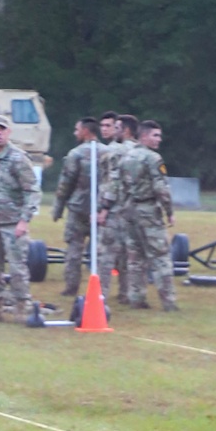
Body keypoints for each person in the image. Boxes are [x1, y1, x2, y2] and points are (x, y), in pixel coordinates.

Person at [0, 112, 40, 322]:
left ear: (8, 132)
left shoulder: (18, 158)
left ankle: (21, 310)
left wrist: (24, 220)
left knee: (17, 269)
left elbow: (32, 190)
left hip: (13, 224)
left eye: (2, 130)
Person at [115, 118, 177, 311]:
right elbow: (161, 188)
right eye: (155, 135)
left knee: (135, 258)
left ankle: (136, 298)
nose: (159, 140)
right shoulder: (153, 158)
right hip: (148, 210)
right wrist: (169, 212)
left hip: (129, 210)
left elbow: (119, 186)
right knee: (160, 256)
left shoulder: (126, 157)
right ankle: (168, 301)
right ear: (143, 136)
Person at [51, 117, 103, 298]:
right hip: (103, 210)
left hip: (78, 208)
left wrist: (58, 208)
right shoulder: (109, 153)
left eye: (77, 129)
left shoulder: (76, 154)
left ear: (86, 131)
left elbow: (65, 184)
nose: (75, 133)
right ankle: (101, 289)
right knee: (102, 252)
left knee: (74, 250)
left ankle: (71, 287)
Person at [97, 111, 134, 299]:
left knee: (106, 253)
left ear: (125, 130)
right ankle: (126, 292)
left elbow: (112, 181)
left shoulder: (114, 151)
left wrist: (103, 208)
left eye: (116, 128)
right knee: (129, 254)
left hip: (115, 209)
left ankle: (101, 292)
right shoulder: (141, 151)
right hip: (134, 210)